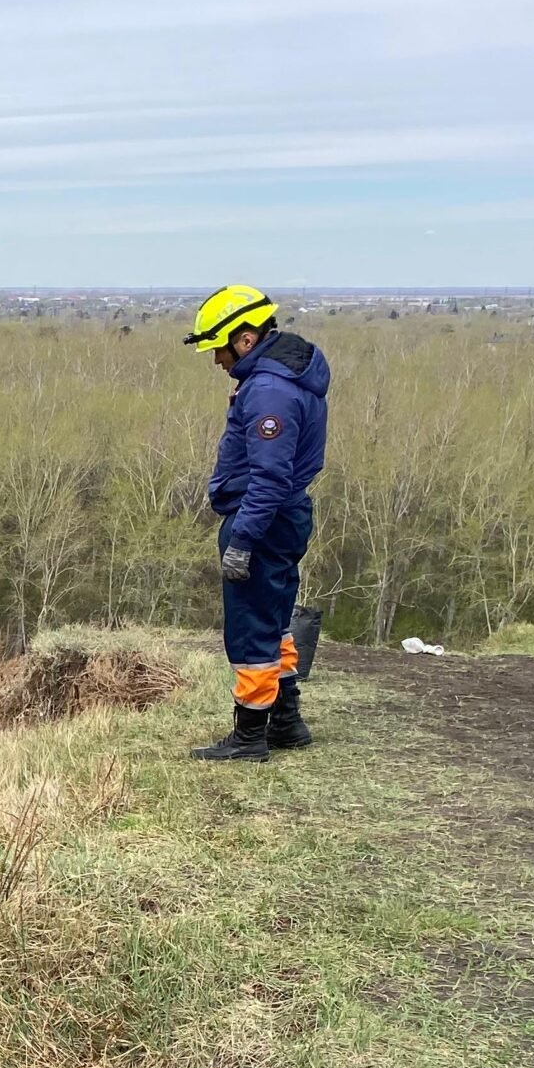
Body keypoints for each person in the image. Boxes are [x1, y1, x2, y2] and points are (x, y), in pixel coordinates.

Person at [184, 285, 331, 762]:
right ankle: (286, 721)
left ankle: (250, 736)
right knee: (275, 620)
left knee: (250, 628)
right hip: (279, 517)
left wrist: (243, 539)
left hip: (261, 518)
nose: (216, 361)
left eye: (219, 349)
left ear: (244, 340)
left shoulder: (269, 391)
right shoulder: (275, 381)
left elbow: (269, 476)